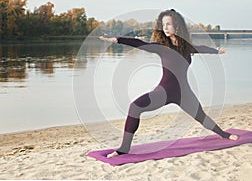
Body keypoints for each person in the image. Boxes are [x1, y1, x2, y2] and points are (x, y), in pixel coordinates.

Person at [99, 9, 238, 158]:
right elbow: (140, 43)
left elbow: (200, 49)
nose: (165, 28)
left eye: (169, 24)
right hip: (163, 92)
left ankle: (224, 134)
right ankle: (124, 148)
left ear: (177, 26)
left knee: (201, 116)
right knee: (135, 107)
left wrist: (215, 51)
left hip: (184, 93)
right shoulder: (162, 48)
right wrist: (119, 40)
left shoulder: (186, 47)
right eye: (163, 24)